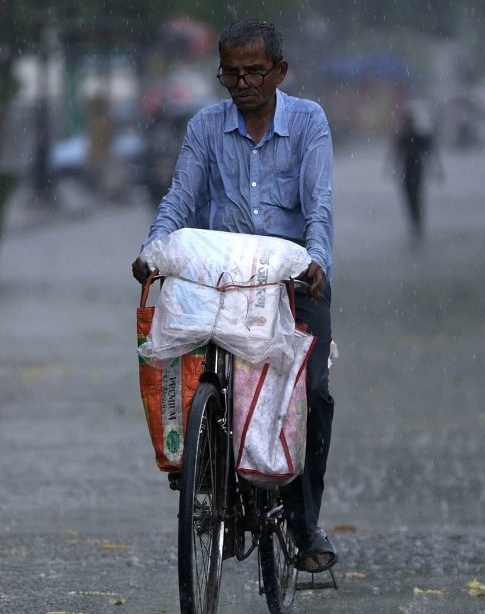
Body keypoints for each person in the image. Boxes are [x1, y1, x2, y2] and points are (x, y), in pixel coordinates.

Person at [131, 19, 338, 574]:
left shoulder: (308, 122)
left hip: (290, 281)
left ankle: (304, 523)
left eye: (254, 72)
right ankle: (208, 481)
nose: (242, 84)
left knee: (311, 394)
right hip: (219, 280)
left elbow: (318, 207)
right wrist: (154, 249)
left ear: (279, 72)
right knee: (186, 369)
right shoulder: (205, 126)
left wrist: (317, 262)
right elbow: (180, 199)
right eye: (231, 73)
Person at [393, 105, 440, 236]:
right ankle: (415, 222)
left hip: (415, 171)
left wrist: (435, 168)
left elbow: (430, 152)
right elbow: (396, 155)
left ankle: (416, 223)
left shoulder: (415, 137)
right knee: (411, 198)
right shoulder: (405, 138)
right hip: (409, 171)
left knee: (415, 198)